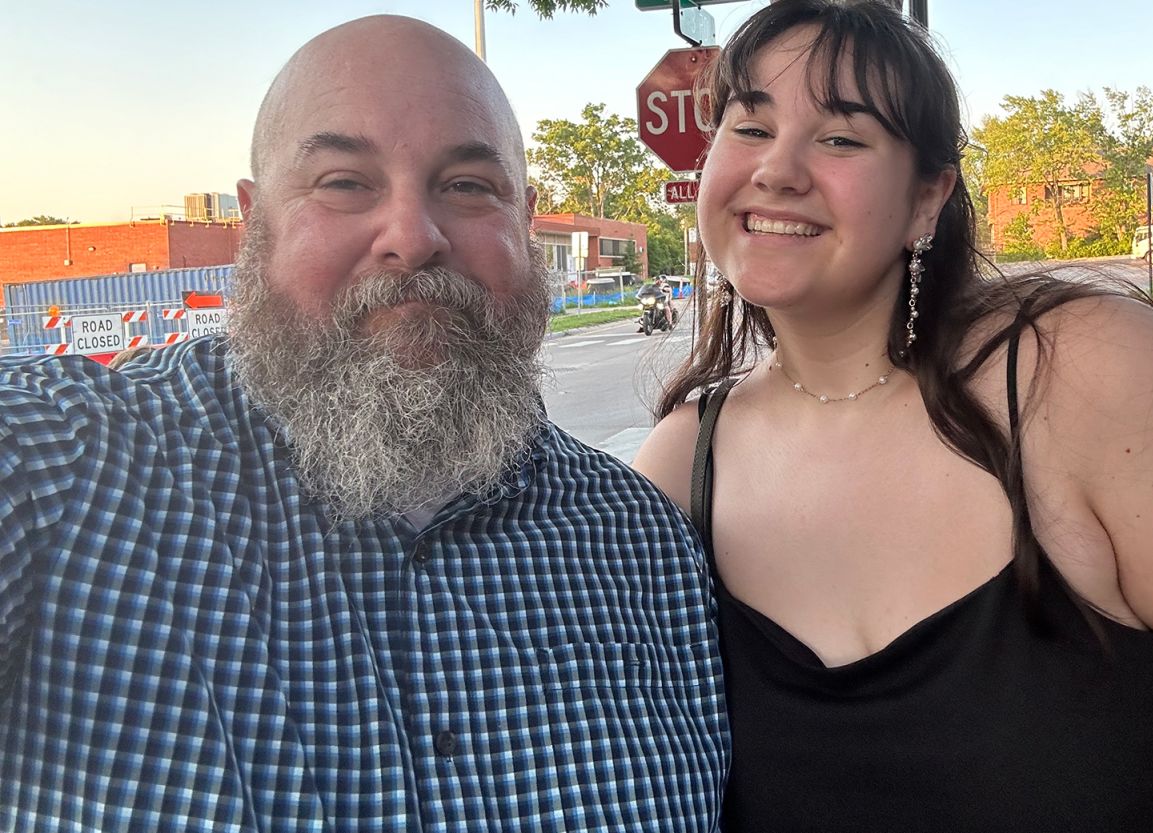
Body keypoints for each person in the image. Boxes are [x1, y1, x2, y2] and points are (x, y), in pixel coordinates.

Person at [633, 1, 1153, 831]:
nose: (778, 169)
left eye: (841, 137)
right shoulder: (678, 469)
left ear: (927, 199)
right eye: (749, 127)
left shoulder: (1091, 379)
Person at [0, 16, 726, 832]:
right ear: (254, 222)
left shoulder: (645, 552)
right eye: (344, 181)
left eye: (468, 185)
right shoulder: (67, 467)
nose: (413, 238)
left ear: (524, 223)